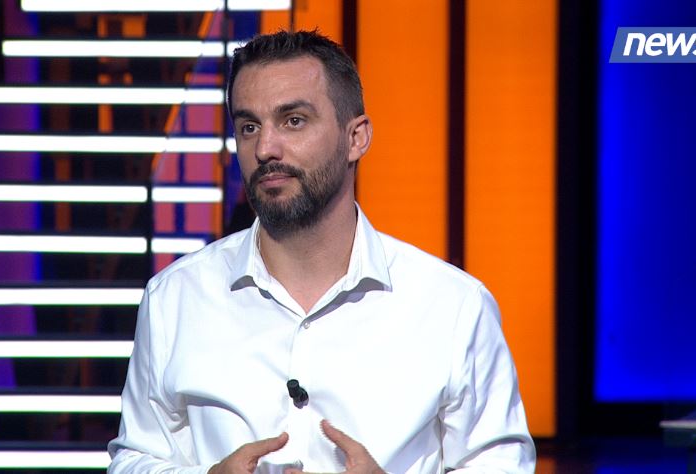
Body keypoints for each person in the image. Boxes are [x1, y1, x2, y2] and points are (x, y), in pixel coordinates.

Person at [108, 30, 535, 474]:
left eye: (293, 121)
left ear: (356, 138)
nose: (265, 149)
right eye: (249, 127)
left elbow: (501, 466)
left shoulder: (454, 306)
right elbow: (134, 459)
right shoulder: (175, 298)